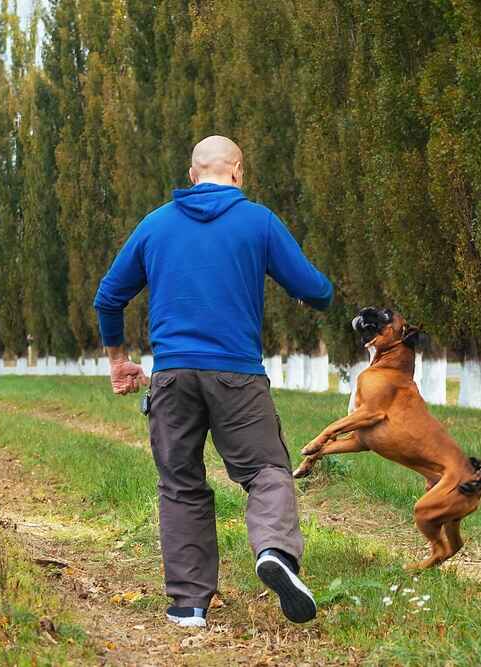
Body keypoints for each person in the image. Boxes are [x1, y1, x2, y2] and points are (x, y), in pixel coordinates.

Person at [93, 135, 333, 628]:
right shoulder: (258, 221)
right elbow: (317, 291)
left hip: (173, 376)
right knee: (267, 471)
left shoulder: (156, 224)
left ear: (192, 175)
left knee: (180, 482)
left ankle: (189, 605)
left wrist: (119, 359)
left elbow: (108, 298)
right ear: (238, 172)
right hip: (237, 376)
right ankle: (274, 553)